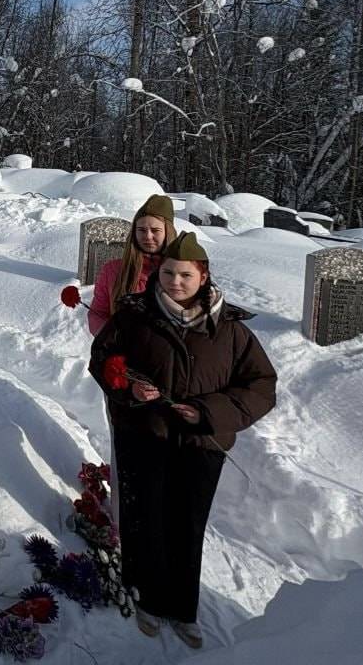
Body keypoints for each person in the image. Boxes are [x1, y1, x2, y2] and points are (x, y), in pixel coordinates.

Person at [89, 233, 276, 649]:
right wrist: (129, 390)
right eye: (169, 273)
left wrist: (208, 413)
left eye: (185, 275)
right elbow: (102, 360)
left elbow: (261, 386)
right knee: (144, 519)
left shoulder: (228, 328)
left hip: (200, 446)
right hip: (144, 436)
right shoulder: (135, 315)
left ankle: (181, 606)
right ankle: (146, 597)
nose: (175, 281)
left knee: (186, 523)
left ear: (203, 275)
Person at [87, 194, 177, 336]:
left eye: (155, 230)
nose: (147, 236)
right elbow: (98, 313)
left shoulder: (180, 273)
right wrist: (110, 336)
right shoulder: (112, 270)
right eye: (141, 230)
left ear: (168, 233)